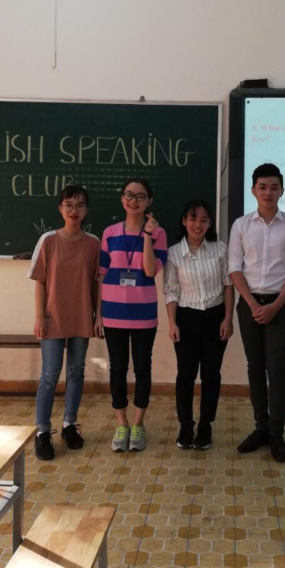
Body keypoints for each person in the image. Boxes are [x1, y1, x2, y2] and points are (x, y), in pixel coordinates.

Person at [228, 163, 285, 463]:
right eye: (262, 187)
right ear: (253, 190)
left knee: (277, 369)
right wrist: (252, 304)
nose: (268, 192)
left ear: (282, 190)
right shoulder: (241, 225)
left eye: (274, 187)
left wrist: (275, 306)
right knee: (255, 367)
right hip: (249, 305)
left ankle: (276, 434)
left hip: (279, 305)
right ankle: (260, 428)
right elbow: (234, 267)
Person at [95, 178, 167, 453]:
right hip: (113, 313)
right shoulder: (109, 233)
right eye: (129, 194)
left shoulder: (158, 233)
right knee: (117, 368)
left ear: (149, 201)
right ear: (122, 198)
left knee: (142, 367)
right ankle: (121, 423)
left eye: (140, 196)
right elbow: (101, 275)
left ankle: (138, 423)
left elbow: (149, 271)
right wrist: (98, 315)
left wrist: (147, 235)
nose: (133, 200)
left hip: (143, 313)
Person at [28, 185, 100, 461]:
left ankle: (70, 424)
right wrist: (39, 316)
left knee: (76, 372)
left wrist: (98, 316)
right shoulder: (48, 240)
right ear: (60, 208)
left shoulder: (93, 243)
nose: (74, 210)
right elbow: (40, 281)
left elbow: (96, 284)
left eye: (80, 205)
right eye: (68, 204)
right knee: (50, 374)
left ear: (87, 210)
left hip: (81, 316)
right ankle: (42, 431)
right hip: (53, 317)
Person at [164, 199, 234, 450]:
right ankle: (186, 426)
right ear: (184, 221)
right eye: (193, 219)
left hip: (215, 317)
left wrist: (228, 318)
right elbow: (171, 291)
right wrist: (172, 323)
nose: (198, 224)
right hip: (186, 319)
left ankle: (205, 426)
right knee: (185, 375)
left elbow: (228, 285)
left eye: (204, 220)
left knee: (211, 375)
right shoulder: (173, 253)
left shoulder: (220, 249)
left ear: (210, 223)